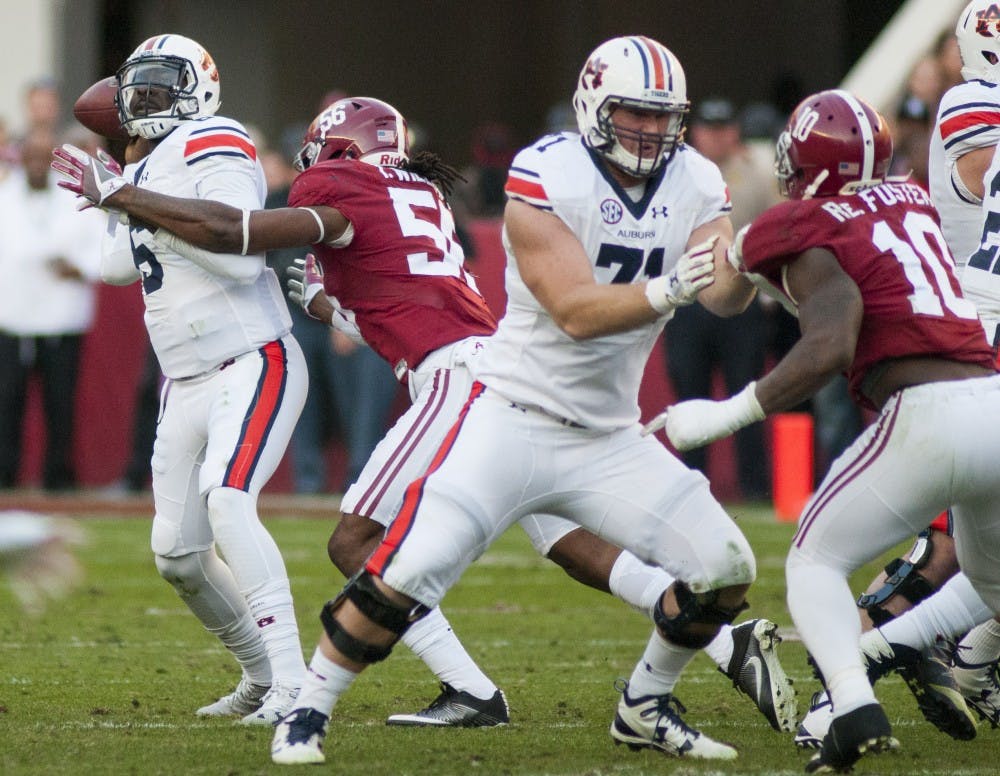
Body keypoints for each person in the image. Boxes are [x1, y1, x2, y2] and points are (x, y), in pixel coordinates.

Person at [53, 90, 796, 739]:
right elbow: (393, 294)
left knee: (355, 541)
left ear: (338, 150)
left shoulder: (342, 185)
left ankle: (470, 689)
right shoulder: (419, 198)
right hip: (497, 371)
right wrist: (321, 298)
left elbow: (233, 233)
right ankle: (730, 645)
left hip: (457, 378)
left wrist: (120, 192)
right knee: (564, 540)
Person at [264, 35, 767, 764]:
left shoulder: (694, 177)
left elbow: (721, 293)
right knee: (405, 568)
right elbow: (572, 309)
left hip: (604, 429)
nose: (652, 131)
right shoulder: (548, 171)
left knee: (727, 563)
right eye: (635, 113)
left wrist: (746, 263)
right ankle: (308, 712)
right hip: (510, 413)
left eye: (664, 116)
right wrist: (671, 288)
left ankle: (646, 700)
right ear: (595, 106)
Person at [648, 88, 1000, 772]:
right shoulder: (913, 201)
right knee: (992, 585)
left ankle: (849, 703)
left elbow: (826, 340)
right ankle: (888, 650)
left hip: (925, 411)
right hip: (992, 396)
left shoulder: (800, 223)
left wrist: (725, 410)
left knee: (814, 562)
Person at [52, 34, 309, 725]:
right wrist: (117, 197)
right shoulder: (151, 160)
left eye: (162, 84)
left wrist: (131, 196)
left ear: (201, 88)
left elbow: (236, 254)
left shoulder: (214, 139)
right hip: (186, 380)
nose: (145, 98)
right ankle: (259, 675)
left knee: (228, 502)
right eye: (138, 86)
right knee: (177, 553)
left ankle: (296, 684)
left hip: (252, 358)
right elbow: (115, 267)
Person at [662, 96, 776, 500]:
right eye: (710, 129)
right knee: (689, 390)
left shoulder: (758, 172)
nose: (717, 137)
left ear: (735, 133)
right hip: (688, 298)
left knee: (746, 395)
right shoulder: (676, 172)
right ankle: (692, 486)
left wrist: (765, 293)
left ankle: (755, 486)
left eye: (724, 129)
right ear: (696, 133)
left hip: (740, 298)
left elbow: (774, 227)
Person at [0, 128, 105, 490]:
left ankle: (59, 479)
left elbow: (100, 247)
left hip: (62, 316)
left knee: (60, 405)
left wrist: (80, 269)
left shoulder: (74, 196)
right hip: (11, 317)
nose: (36, 164)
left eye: (43, 157)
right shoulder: (4, 196)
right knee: (6, 402)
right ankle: (6, 477)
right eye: (30, 156)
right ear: (20, 157)